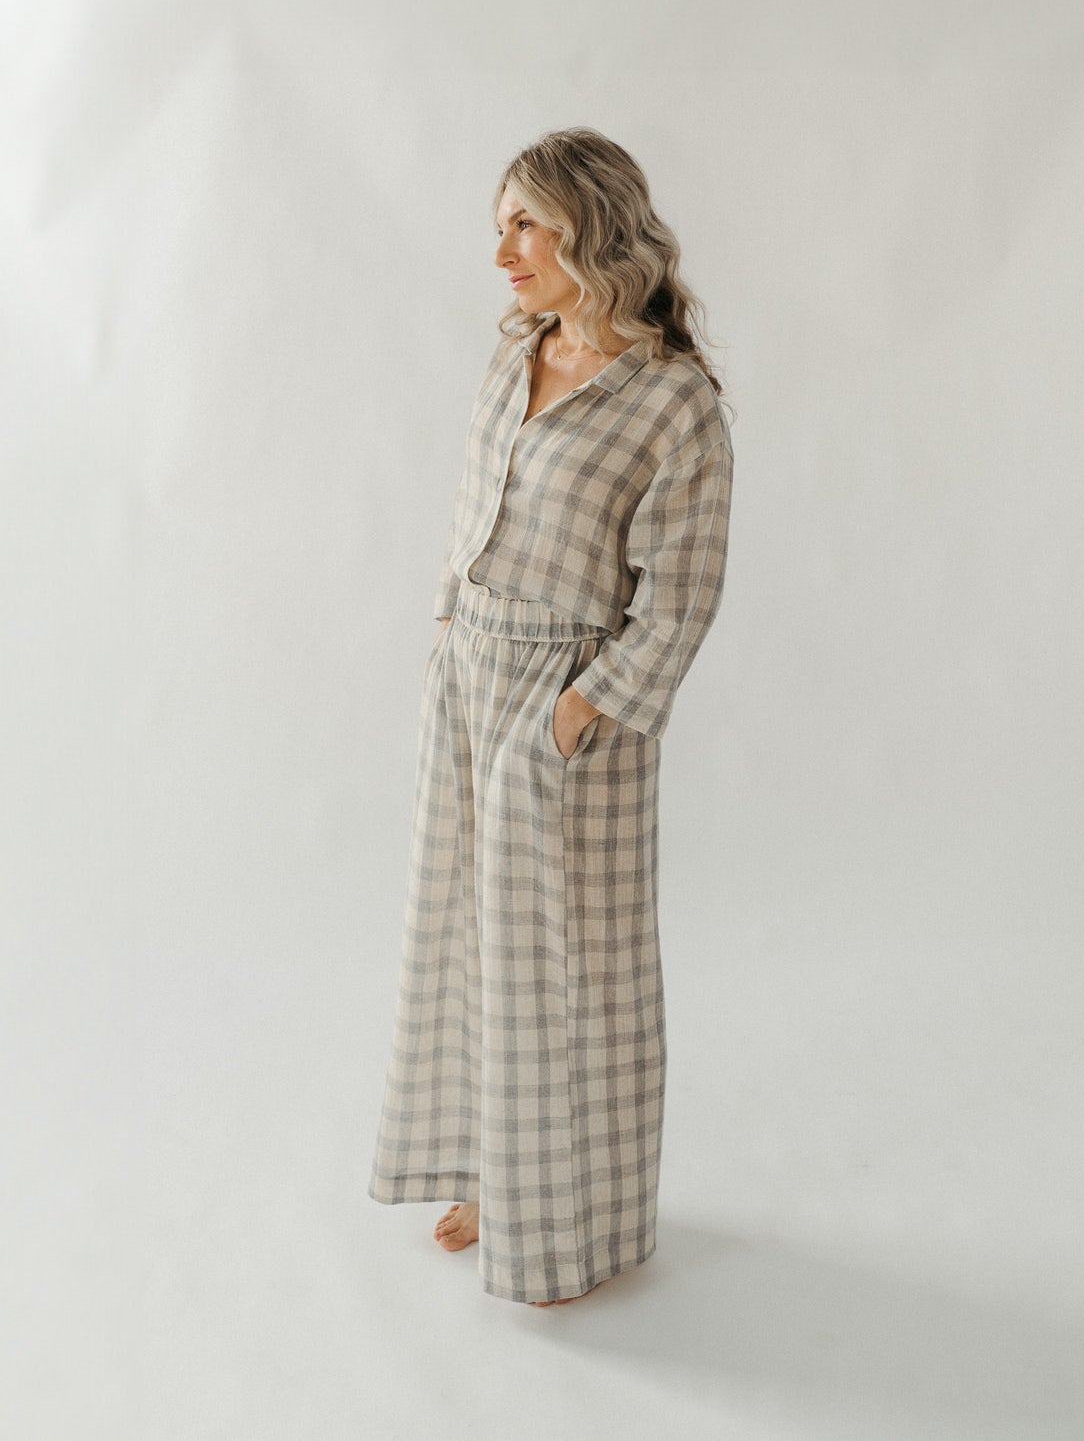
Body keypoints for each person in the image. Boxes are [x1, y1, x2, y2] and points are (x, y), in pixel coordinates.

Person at [368, 127, 733, 1307]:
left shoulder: (673, 402)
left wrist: (577, 713)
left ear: (593, 226)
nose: (502, 252)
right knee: (468, 939)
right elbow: (469, 507)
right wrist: (446, 629)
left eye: (525, 223)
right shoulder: (514, 354)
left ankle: (576, 1226)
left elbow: (679, 598)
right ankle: (493, 1173)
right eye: (499, 226)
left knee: (571, 967)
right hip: (469, 675)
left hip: (566, 708)